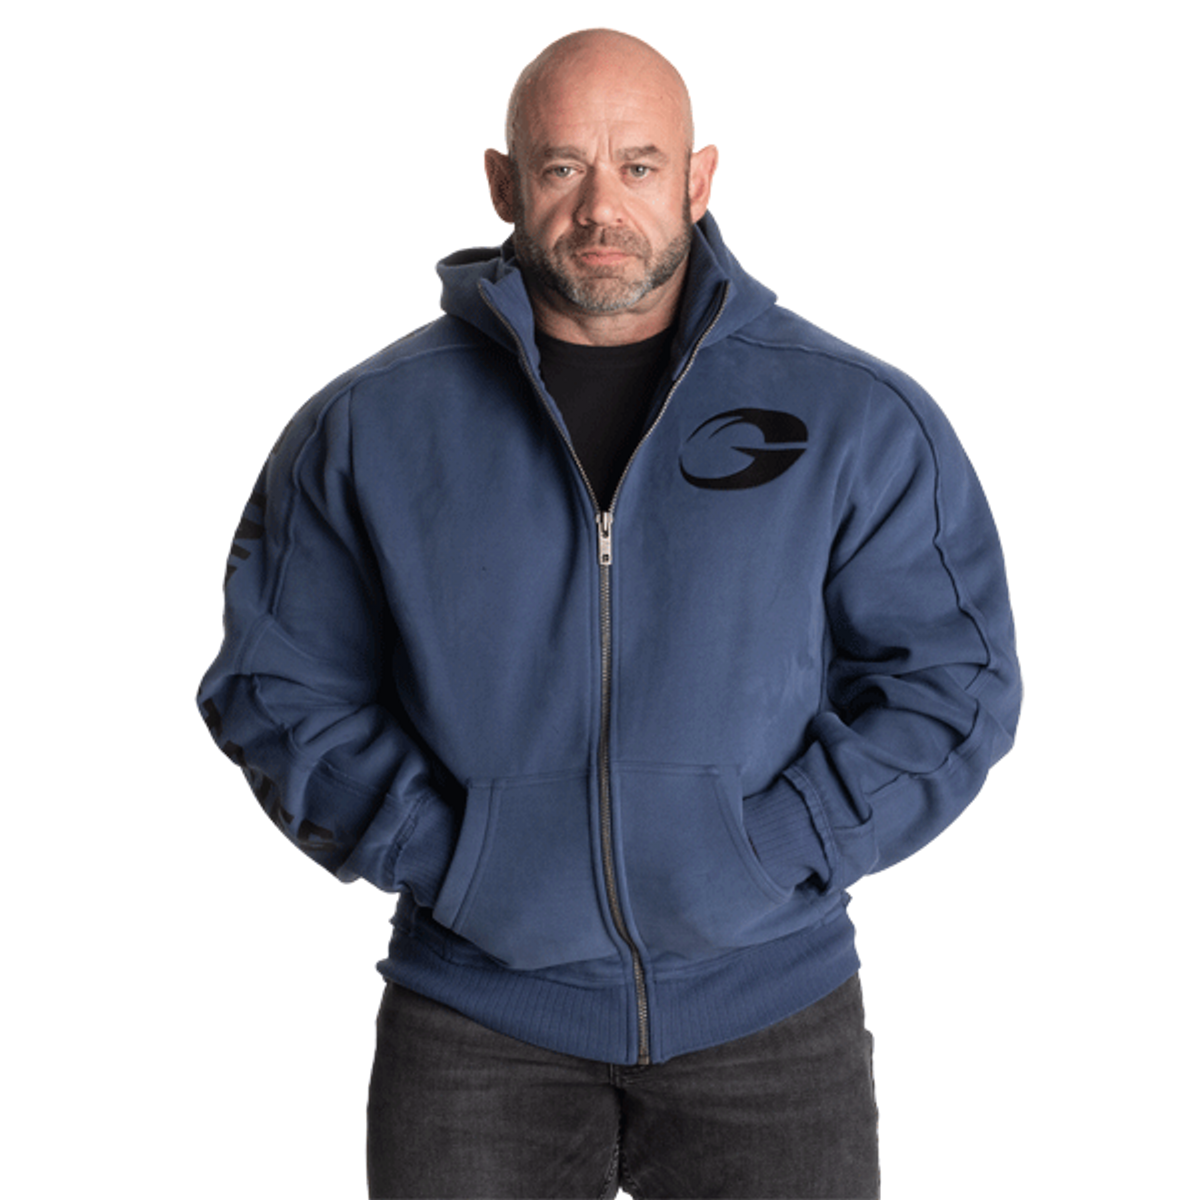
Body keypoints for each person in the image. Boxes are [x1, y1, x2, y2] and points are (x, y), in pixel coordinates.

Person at [197, 27, 1021, 1200]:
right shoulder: (365, 428)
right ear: (503, 184)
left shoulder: (853, 416)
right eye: (561, 167)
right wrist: (453, 857)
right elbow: (277, 688)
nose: (601, 207)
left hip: (769, 1018)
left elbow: (952, 683)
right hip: (476, 1022)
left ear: (698, 178)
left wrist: (772, 852)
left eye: (639, 165)